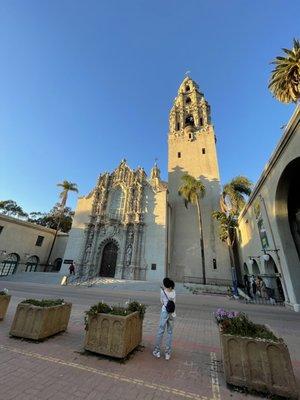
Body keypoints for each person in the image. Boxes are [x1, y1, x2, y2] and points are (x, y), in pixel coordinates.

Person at [153, 277, 176, 361]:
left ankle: (157, 351)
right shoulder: (174, 292)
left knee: (160, 331)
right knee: (169, 333)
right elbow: (174, 302)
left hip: (164, 312)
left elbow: (161, 301)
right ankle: (167, 353)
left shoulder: (163, 291)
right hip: (172, 313)